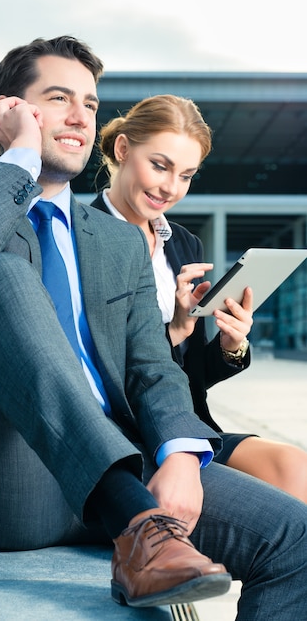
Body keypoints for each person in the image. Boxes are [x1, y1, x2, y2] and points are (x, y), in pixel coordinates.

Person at [0, 37, 306, 619]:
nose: (81, 115)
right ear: (11, 111)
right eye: (58, 98)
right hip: (5, 474)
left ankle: (137, 521)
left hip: (128, 458)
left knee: (297, 537)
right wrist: (21, 157)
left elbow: (150, 365)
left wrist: (183, 456)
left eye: (89, 101)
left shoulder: (117, 240)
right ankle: (134, 523)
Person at [90, 93, 307, 502]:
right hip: (124, 433)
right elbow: (85, 365)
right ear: (123, 149)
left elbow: (190, 375)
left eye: (186, 175)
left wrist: (230, 345)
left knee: (295, 468)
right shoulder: (80, 238)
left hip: (191, 424)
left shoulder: (185, 245)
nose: (170, 188)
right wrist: (171, 331)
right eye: (160, 165)